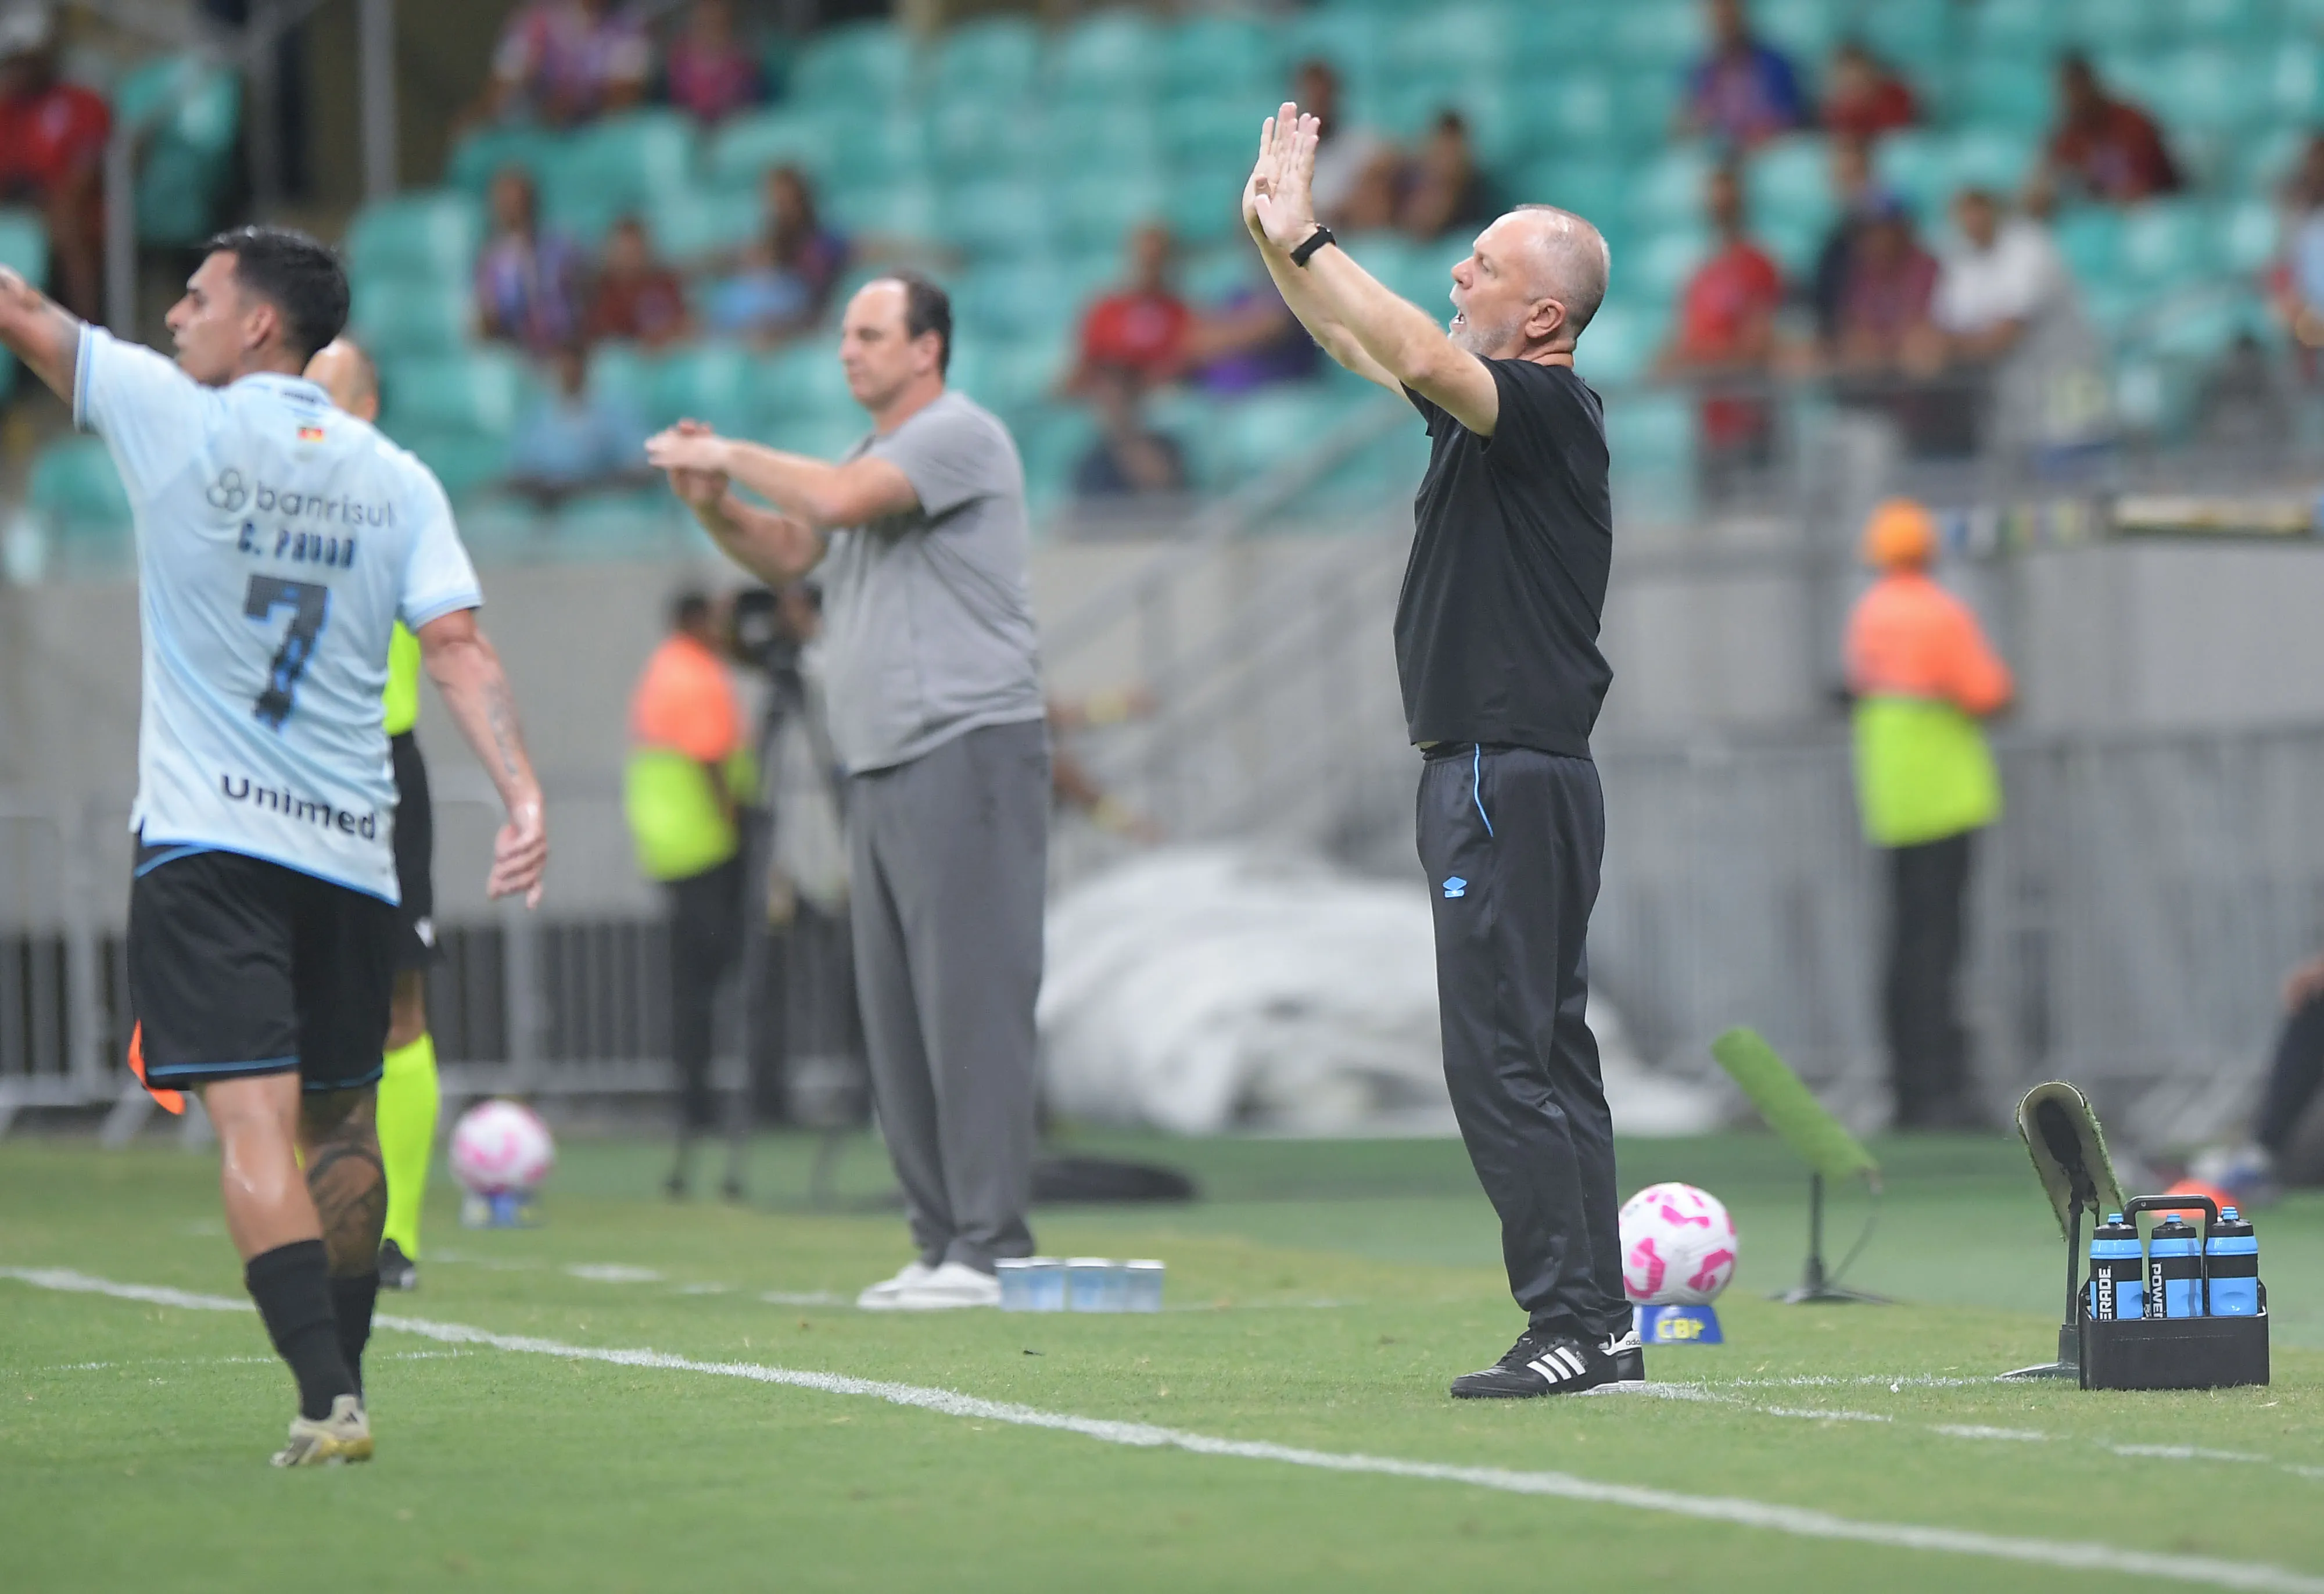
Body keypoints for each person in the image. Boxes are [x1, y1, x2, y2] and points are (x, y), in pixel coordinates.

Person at [0, 226, 547, 1463]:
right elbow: (460, 647)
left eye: (194, 296)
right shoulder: (398, 477)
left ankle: (323, 1398)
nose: (174, 314)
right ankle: (345, 1383)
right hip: (354, 849)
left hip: (209, 844)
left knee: (255, 1128)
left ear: (257, 326)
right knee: (344, 1130)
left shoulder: (167, 413)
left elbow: (23, 308)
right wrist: (521, 794)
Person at [1242, 104, 1638, 1396]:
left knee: (1499, 1060)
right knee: (1547, 1052)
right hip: (1520, 773)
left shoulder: (1539, 405)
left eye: (1483, 262)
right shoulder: (1502, 412)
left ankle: (1567, 1321)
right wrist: (1272, 237)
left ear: (1541, 316)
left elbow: (1400, 333)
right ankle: (1602, 1318)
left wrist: (1310, 233)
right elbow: (1366, 342)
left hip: (1498, 771)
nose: (1457, 273)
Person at [644, 273, 1047, 1313]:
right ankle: (941, 1238)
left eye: (869, 332)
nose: (846, 349)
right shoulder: (871, 456)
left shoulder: (958, 433)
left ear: (928, 349)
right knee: (899, 1013)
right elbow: (788, 548)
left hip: (965, 746)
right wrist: (718, 506)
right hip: (883, 759)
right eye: (843, 332)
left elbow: (823, 502)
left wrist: (729, 451)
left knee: (970, 1003)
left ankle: (992, 1242)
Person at [303, 336, 446, 1294]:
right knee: (292, 1005)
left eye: (328, 395)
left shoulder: (402, 499)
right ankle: (305, 1218)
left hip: (382, 769)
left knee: (399, 1004)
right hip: (288, 773)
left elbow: (453, 633)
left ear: (369, 399)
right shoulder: (271, 499)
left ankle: (395, 1233)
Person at [1844, 499, 2010, 1133]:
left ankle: (1909, 1086)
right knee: (1938, 949)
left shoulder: (1868, 614)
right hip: (1945, 799)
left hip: (1892, 801)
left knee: (1905, 948)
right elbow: (1988, 692)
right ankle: (1940, 1091)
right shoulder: (1938, 612)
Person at [625, 588, 752, 1199]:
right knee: (712, 988)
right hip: (705, 848)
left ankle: (695, 1102)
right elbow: (710, 760)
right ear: (696, 621)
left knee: (691, 990)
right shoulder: (695, 674)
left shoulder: (664, 669)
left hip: (674, 847)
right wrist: (739, 822)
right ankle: (709, 1106)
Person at [1927, 187, 2105, 460]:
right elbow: (1946, 327)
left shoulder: (2031, 246)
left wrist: (1947, 350)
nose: (1973, 222)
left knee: (2079, 463)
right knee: (2024, 481)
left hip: (2069, 376)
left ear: (1996, 212)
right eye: (1965, 215)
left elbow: (2006, 334)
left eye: (1979, 212)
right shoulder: (1962, 257)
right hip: (2013, 387)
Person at [1655, 162, 1784, 477]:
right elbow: (1684, 340)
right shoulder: (1702, 273)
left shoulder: (1758, 267)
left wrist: (1700, 360)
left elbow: (1757, 345)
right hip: (1711, 422)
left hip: (1750, 419)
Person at [0, 5, 106, 323]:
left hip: (71, 209)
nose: (20, 70)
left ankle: (87, 329)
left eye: (27, 58)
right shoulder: (7, 109)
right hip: (18, 205)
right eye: (14, 60)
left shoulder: (82, 101)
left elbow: (85, 174)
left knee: (66, 219)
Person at [702, 166, 849, 346]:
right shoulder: (766, 240)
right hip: (772, 319)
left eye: (785, 198)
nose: (778, 204)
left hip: (809, 320)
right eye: (774, 198)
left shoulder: (822, 242)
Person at [504, 342, 652, 507]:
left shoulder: (613, 412)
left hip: (597, 502)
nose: (568, 374)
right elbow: (520, 468)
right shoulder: (536, 416)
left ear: (584, 369)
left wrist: (595, 483)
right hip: (546, 504)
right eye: (562, 368)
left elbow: (639, 466)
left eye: (573, 367)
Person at [475, 0, 649, 128]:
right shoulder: (536, 20)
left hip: (594, 135)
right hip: (534, 131)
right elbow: (501, 88)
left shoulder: (628, 26)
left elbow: (624, 100)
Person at [1064, 223, 1191, 394]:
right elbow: (1082, 368)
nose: (1149, 270)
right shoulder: (1106, 312)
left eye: (1156, 261)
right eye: (1144, 260)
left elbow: (1181, 363)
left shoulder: (1181, 314)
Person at [476, 167, 587, 357]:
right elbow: (487, 317)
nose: (511, 207)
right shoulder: (491, 260)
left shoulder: (561, 247)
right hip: (517, 353)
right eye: (505, 201)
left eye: (517, 200)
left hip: (565, 348)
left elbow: (582, 291)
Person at [2045, 53, 2179, 206]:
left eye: (2077, 90)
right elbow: (2049, 182)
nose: (2074, 99)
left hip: (2157, 207)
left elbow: (2145, 185)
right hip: (2105, 212)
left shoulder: (2132, 124)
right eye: (2067, 92)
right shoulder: (2069, 136)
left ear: (2091, 85)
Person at [1682, 0, 1807, 150]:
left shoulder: (1776, 64)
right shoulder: (1702, 70)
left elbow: (1790, 118)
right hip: (1723, 153)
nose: (1723, 25)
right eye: (1718, 19)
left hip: (1770, 151)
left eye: (1728, 17)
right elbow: (1687, 123)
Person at [1293, 58, 1394, 232]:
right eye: (1311, 97)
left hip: (1353, 241)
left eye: (1322, 97)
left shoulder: (1361, 144)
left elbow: (1391, 158)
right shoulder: (1285, 155)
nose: (1317, 106)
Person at [1073, 363, 1187, 500]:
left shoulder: (1163, 445)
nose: (1108, 399)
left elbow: (1161, 487)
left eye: (1114, 391)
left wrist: (1121, 428)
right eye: (1101, 392)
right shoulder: (1091, 460)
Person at [586, 216, 691, 349]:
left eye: (634, 252)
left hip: (669, 356)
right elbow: (603, 341)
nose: (629, 259)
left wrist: (669, 335)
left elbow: (687, 323)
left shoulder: (664, 283)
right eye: (623, 252)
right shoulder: (602, 294)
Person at [1398, 111, 1497, 242]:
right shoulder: (1407, 182)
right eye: (1440, 149)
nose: (1445, 158)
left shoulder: (1485, 194)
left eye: (1451, 150)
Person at [662, 0, 763, 126]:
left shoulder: (740, 61)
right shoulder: (680, 58)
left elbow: (749, 103)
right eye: (705, 20)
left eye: (717, 21)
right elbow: (676, 102)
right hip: (689, 126)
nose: (711, 22)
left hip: (733, 127)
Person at [1820, 40, 1916, 145]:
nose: (1854, 87)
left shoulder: (1895, 100)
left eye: (1859, 79)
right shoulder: (1834, 113)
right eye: (1848, 82)